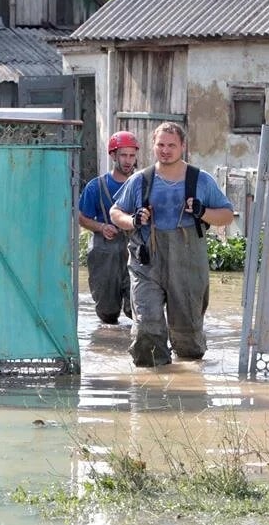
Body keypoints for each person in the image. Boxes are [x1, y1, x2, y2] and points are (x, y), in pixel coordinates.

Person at [110, 122, 234, 367]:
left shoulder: (201, 180)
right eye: (160, 145)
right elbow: (115, 212)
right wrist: (133, 220)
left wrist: (202, 211)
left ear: (183, 147)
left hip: (187, 266)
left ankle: (186, 392)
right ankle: (151, 390)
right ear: (153, 146)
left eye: (171, 145)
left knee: (188, 339)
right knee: (146, 328)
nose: (165, 150)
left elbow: (227, 215)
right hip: (147, 266)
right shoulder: (140, 180)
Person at [78, 131, 139, 324]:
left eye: (132, 155)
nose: (128, 161)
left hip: (134, 251)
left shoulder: (142, 184)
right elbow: (81, 217)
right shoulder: (95, 186)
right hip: (105, 253)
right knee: (108, 314)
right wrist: (101, 226)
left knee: (138, 309)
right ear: (113, 156)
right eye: (123, 155)